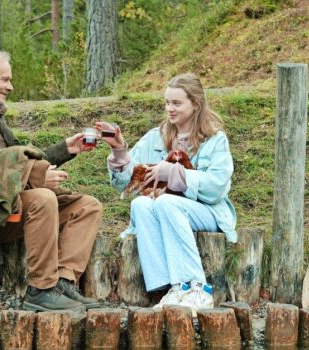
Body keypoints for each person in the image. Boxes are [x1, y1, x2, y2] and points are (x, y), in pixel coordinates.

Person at [0, 47, 103, 312]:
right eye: (4, 79)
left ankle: (63, 282)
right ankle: (40, 290)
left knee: (87, 206)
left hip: (4, 208)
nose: (10, 87)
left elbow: (18, 164)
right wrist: (34, 177)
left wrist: (64, 150)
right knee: (42, 198)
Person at [96, 72, 237, 316]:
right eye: (167, 102)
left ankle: (196, 288)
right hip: (169, 208)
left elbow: (216, 187)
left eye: (176, 103)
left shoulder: (215, 139)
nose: (169, 109)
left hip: (208, 211)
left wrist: (174, 172)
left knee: (166, 203)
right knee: (141, 204)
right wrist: (119, 150)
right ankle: (170, 288)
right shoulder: (156, 137)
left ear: (195, 103)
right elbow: (126, 182)